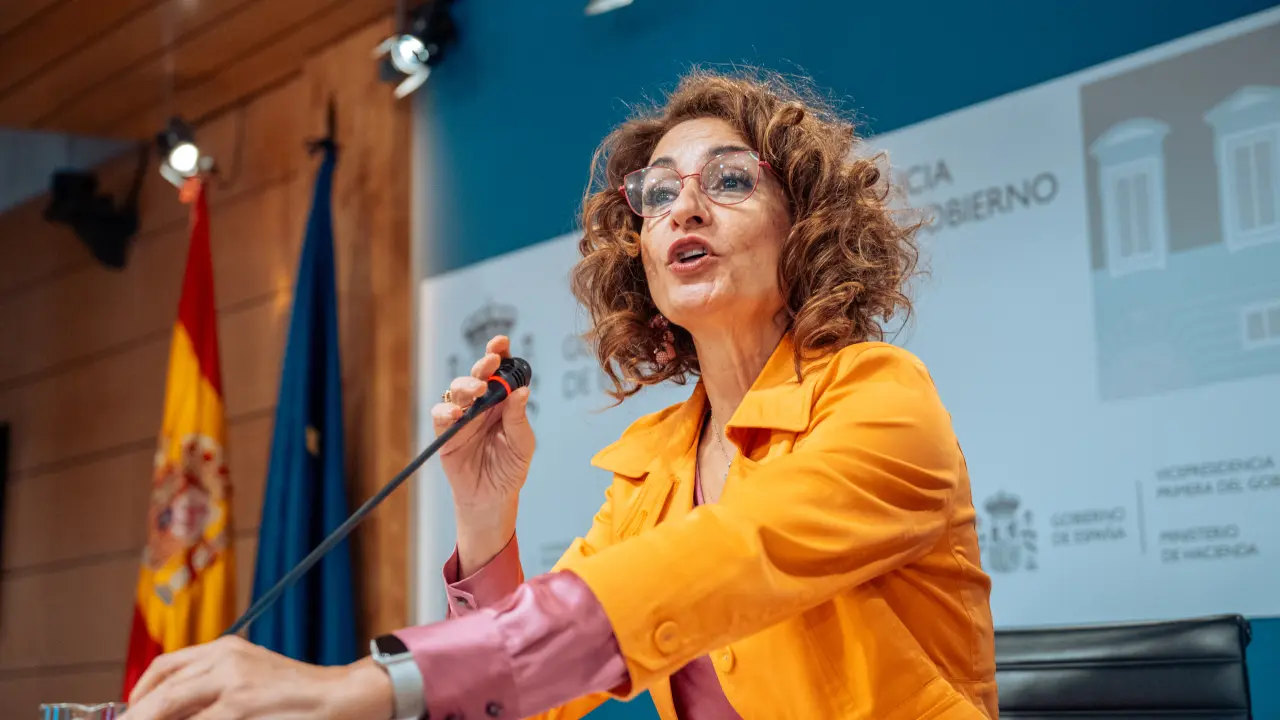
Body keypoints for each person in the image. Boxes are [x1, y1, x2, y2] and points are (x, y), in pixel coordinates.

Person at [125, 68, 997, 720]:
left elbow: (728, 559)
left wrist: (361, 687)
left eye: (730, 180)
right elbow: (531, 695)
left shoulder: (882, 398)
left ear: (805, 225)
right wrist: (485, 518)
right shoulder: (662, 460)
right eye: (658, 194)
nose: (684, 208)